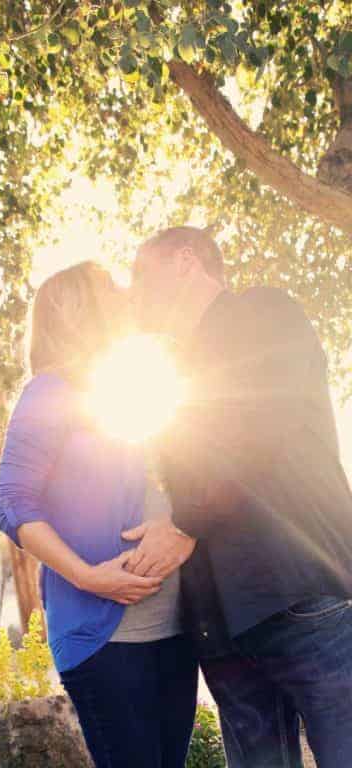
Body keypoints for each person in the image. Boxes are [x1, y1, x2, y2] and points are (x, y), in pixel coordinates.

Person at [125, 226, 352, 768]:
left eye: (140, 275)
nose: (132, 293)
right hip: (224, 625)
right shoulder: (172, 376)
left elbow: (258, 424)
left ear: (185, 261)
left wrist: (183, 523)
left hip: (302, 597)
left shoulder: (265, 313)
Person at [0, 261, 198, 768]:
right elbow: (12, 504)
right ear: (77, 308)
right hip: (104, 638)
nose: (127, 291)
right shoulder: (47, 393)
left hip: (173, 628)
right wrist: (87, 577)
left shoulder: (133, 386)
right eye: (110, 286)